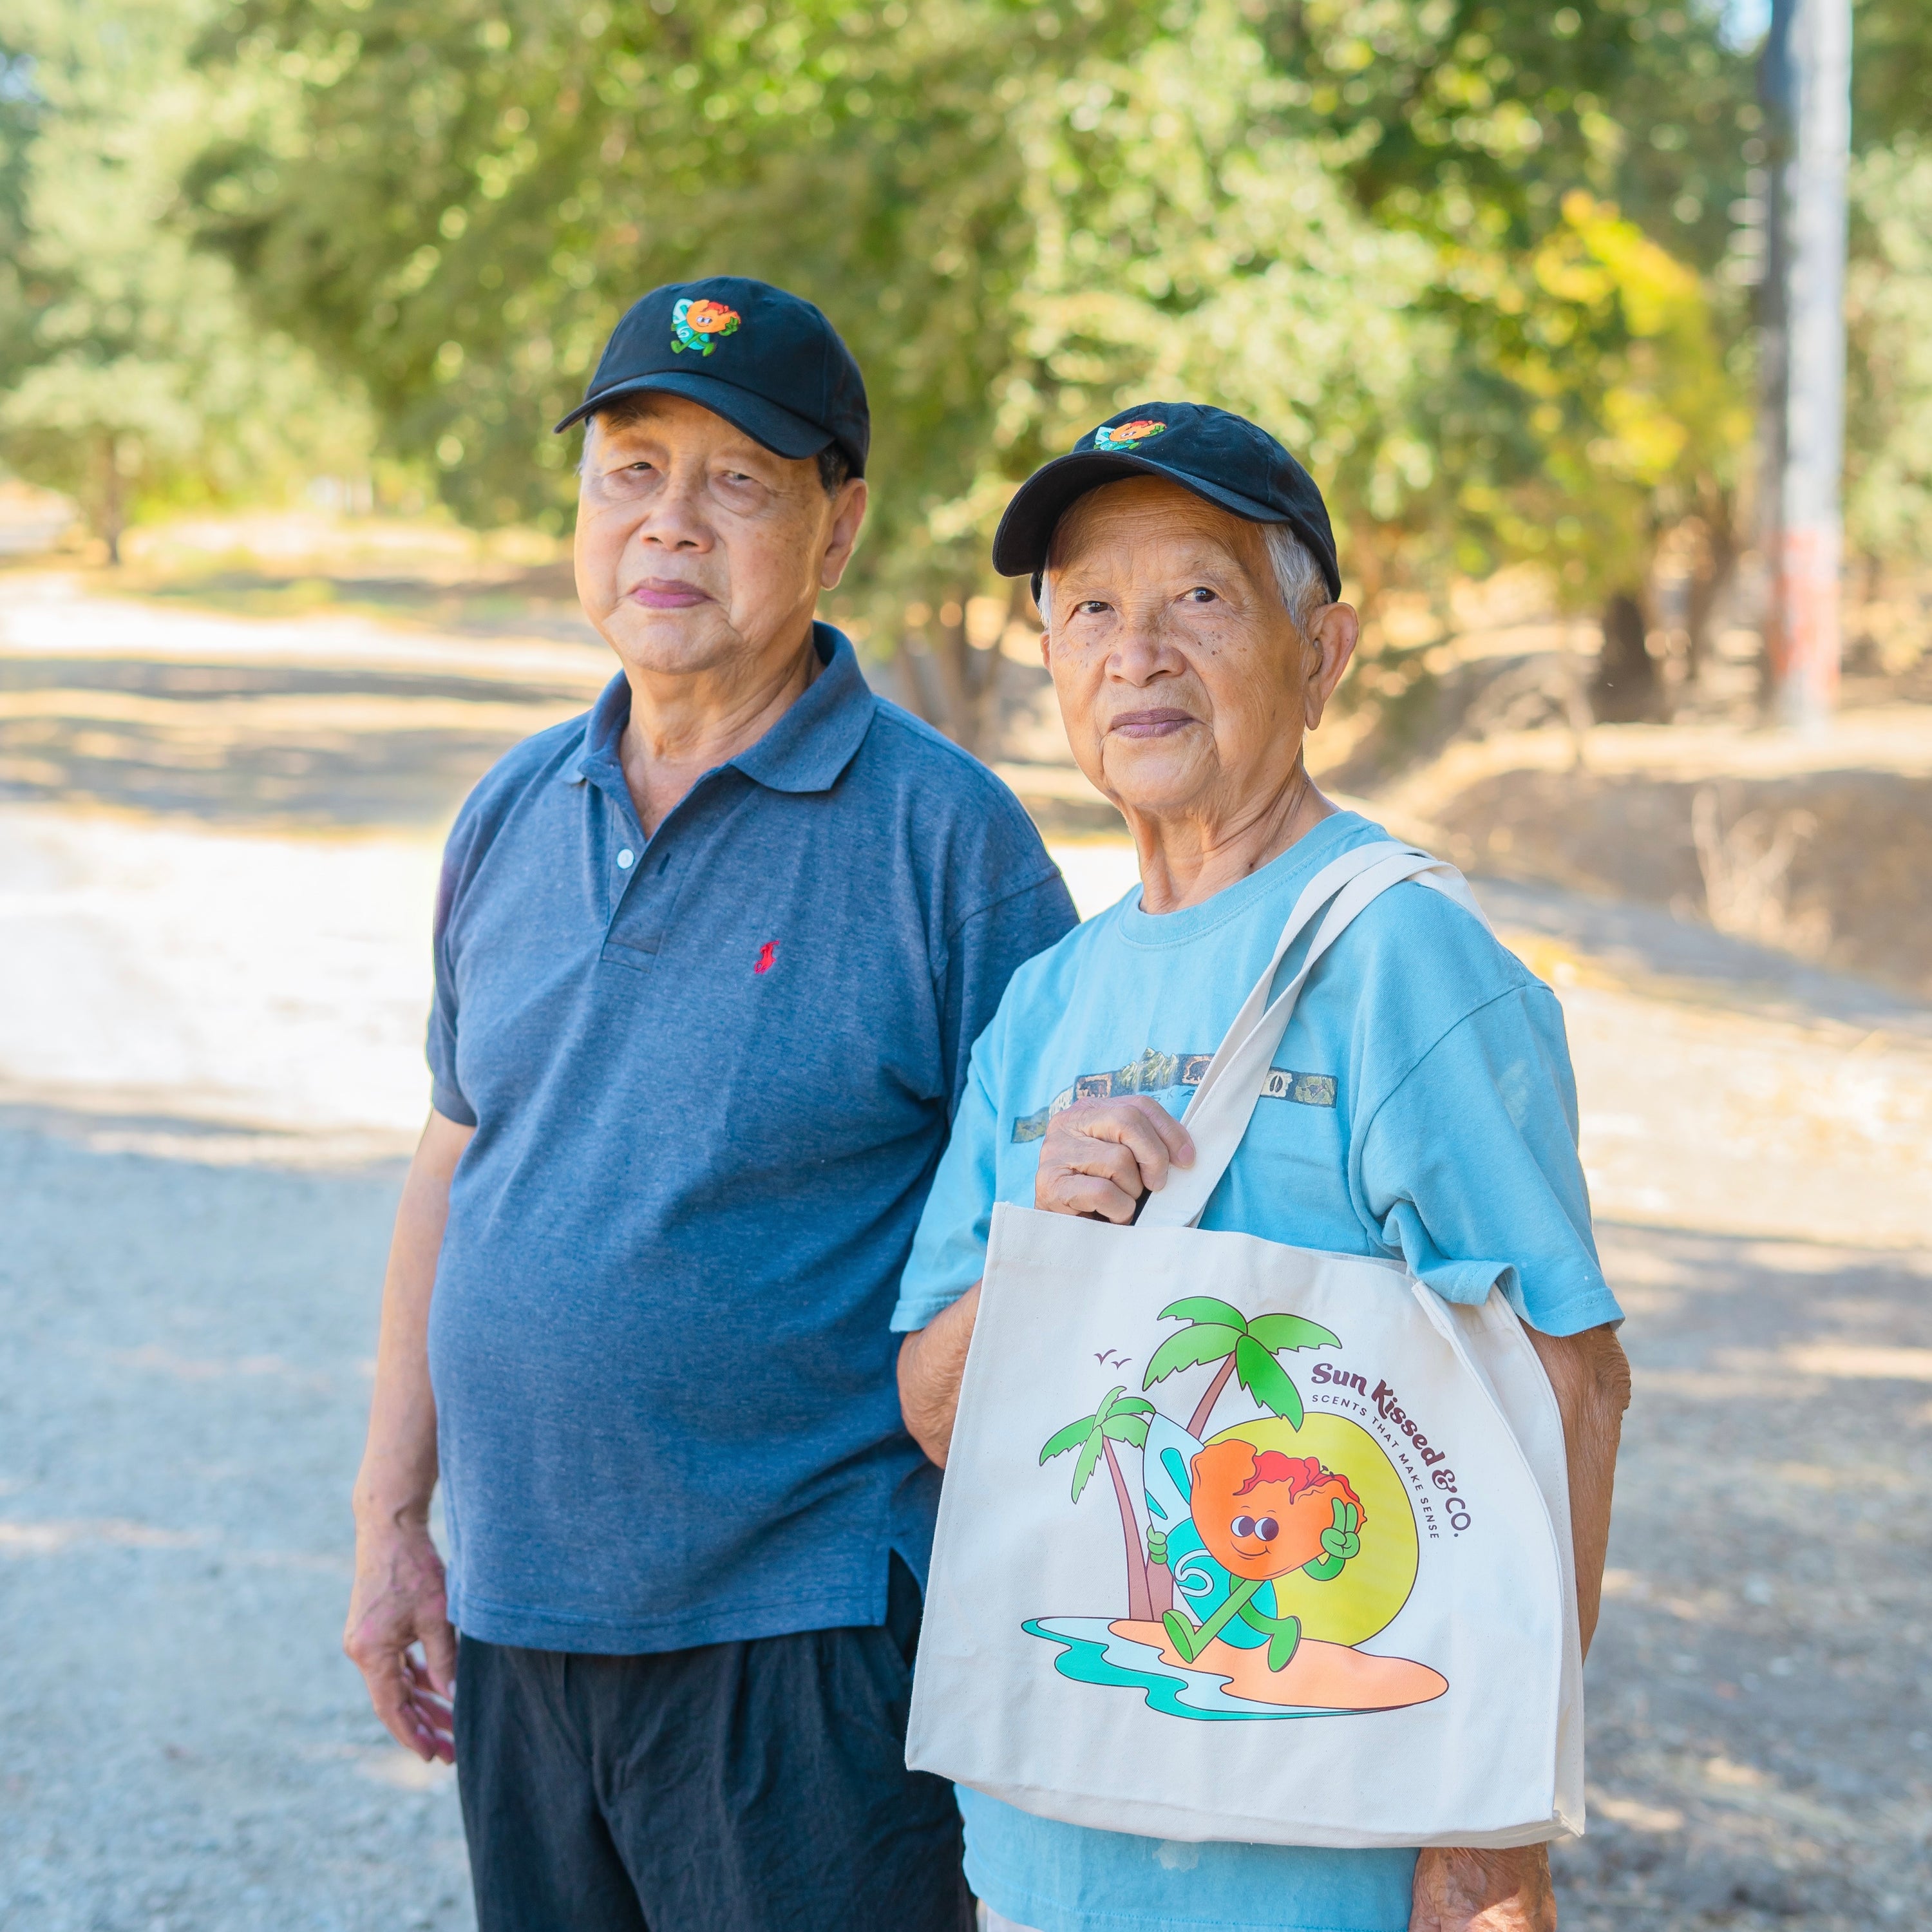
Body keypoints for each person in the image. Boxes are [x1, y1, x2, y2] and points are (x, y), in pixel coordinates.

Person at [343, 276, 1077, 1932]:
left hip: (806, 1643)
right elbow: (451, 1174)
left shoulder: (950, 848)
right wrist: (395, 1523)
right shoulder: (514, 810)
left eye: (739, 480)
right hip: (525, 1626)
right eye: (631, 469)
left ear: (839, 529)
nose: (671, 522)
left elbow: (1072, 1256)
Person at [895, 402, 1631, 1932]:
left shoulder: (1405, 959)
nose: (1137, 651)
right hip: (1045, 1852)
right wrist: (1045, 1241)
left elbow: (1572, 1389)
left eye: (1200, 600)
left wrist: (1489, 1853)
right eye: (1091, 608)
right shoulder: (1049, 999)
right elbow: (941, 1413)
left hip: (1322, 1872)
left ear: (1328, 653)